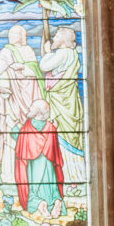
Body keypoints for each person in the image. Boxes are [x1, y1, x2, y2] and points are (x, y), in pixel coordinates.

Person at [0, 25, 43, 184]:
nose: (14, 36)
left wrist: (23, 67)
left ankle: (34, 174)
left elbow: (36, 70)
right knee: (11, 133)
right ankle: (10, 174)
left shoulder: (28, 50)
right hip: (12, 101)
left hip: (30, 97)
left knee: (31, 132)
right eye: (12, 33)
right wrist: (4, 84)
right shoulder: (5, 52)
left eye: (18, 34)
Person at [38, 27, 86, 184]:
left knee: (62, 136)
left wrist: (47, 52)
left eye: (56, 36)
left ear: (64, 41)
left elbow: (44, 67)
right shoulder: (70, 53)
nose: (53, 38)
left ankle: (71, 177)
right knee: (67, 136)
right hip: (67, 100)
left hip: (62, 102)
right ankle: (73, 178)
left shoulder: (64, 53)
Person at [14, 98, 67, 220]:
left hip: (33, 167)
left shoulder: (26, 128)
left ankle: (39, 203)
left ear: (37, 112)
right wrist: (55, 127)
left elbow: (19, 142)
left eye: (32, 107)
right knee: (52, 186)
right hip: (49, 166)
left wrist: (14, 127)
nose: (29, 109)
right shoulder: (50, 127)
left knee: (33, 189)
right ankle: (56, 201)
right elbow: (54, 150)